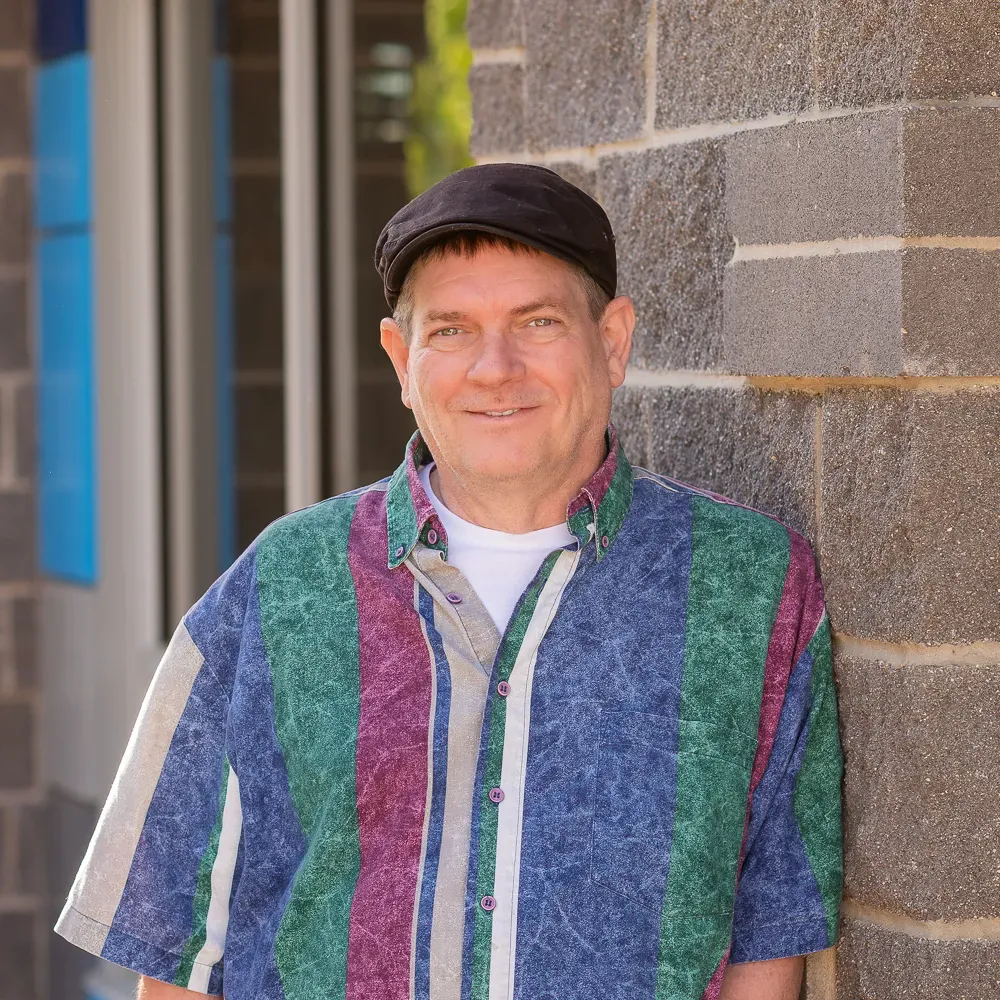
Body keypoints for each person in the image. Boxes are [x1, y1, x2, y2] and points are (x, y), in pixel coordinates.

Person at [56, 163, 842, 1000]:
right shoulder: (281, 586)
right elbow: (181, 952)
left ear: (612, 341)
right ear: (402, 360)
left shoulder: (749, 585)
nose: (494, 368)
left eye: (537, 322)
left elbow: (771, 932)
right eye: (453, 330)